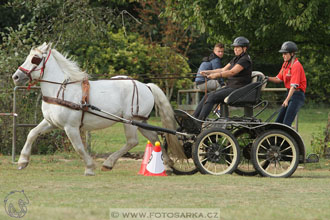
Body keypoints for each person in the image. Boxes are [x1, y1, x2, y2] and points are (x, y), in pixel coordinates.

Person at [193, 36, 252, 120]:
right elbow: (223, 69)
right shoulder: (235, 59)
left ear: (244, 48)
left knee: (212, 97)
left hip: (238, 89)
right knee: (207, 96)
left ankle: (199, 121)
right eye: (234, 47)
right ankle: (194, 118)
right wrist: (208, 72)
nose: (235, 49)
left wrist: (216, 75)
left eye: (238, 47)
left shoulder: (244, 60)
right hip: (231, 87)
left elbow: (232, 72)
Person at [267, 41, 306, 127]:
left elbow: (294, 86)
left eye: (285, 53)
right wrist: (266, 78)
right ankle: (276, 139)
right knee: (278, 122)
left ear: (292, 54)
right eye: (282, 53)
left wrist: (286, 100)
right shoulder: (285, 64)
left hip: (296, 95)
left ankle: (287, 140)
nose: (283, 55)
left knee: (286, 124)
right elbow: (278, 79)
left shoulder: (296, 66)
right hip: (289, 94)